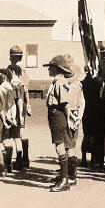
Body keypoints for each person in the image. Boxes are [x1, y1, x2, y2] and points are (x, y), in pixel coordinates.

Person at [45, 54, 78, 192]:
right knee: (60, 145)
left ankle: (64, 180)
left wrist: (69, 117)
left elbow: (64, 103)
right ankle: (65, 177)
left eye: (50, 67)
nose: (48, 70)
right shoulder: (58, 81)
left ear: (57, 69)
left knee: (59, 146)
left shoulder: (59, 82)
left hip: (57, 115)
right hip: (56, 115)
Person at [8, 46, 30, 169]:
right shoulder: (23, 69)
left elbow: (24, 90)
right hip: (21, 103)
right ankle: (24, 158)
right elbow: (26, 90)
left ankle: (21, 158)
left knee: (17, 132)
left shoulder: (17, 70)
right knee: (20, 130)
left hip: (17, 104)